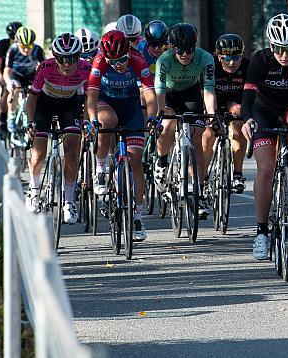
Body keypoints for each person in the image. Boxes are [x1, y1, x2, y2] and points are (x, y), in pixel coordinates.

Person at [241, 14, 288, 261]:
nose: (285, 54)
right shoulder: (260, 60)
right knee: (265, 169)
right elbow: (248, 98)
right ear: (270, 45)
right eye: (279, 49)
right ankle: (261, 232)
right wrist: (247, 119)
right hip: (263, 111)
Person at [86, 30, 159, 241]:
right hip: (106, 103)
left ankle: (137, 216)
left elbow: (149, 93)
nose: (118, 65)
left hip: (131, 107)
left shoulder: (137, 59)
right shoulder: (99, 61)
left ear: (129, 52)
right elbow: (91, 97)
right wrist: (92, 120)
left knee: (136, 160)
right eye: (113, 61)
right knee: (106, 121)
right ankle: (101, 167)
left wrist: (153, 117)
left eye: (122, 60)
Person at [153, 23, 218, 218]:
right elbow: (160, 90)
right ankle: (162, 161)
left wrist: (212, 115)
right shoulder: (164, 60)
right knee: (167, 126)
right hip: (169, 96)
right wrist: (159, 113)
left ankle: (198, 191)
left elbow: (208, 90)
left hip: (191, 96)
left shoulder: (205, 58)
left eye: (189, 49)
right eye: (179, 50)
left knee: (197, 139)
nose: (185, 54)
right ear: (172, 48)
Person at [25, 33, 91, 222]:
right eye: (62, 59)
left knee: (72, 150)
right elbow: (32, 99)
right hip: (44, 106)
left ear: (79, 57)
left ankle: (69, 202)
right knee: (38, 153)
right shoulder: (45, 67)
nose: (67, 64)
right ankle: (34, 190)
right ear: (55, 57)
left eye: (71, 59)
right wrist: (30, 122)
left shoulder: (86, 69)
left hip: (70, 106)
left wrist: (86, 121)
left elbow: (89, 100)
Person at [203, 34, 250, 193]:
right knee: (209, 133)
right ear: (218, 55)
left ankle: (237, 174)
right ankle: (203, 176)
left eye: (236, 57)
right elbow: (203, 92)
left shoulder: (247, 66)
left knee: (238, 124)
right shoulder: (210, 65)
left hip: (234, 103)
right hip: (212, 101)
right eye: (226, 58)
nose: (231, 62)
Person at [4, 26, 45, 137]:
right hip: (17, 75)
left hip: (31, 75)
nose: (26, 50)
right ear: (18, 43)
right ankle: (11, 117)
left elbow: (44, 68)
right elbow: (7, 70)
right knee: (15, 88)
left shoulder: (37, 50)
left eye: (29, 46)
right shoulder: (13, 49)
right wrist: (9, 83)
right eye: (23, 46)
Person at [0, 21, 22, 134]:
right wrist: (0, 76)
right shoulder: (3, 44)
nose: (14, 39)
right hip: (6, 71)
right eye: (12, 36)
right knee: (6, 91)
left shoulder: (23, 45)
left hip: (20, 72)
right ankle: (3, 120)